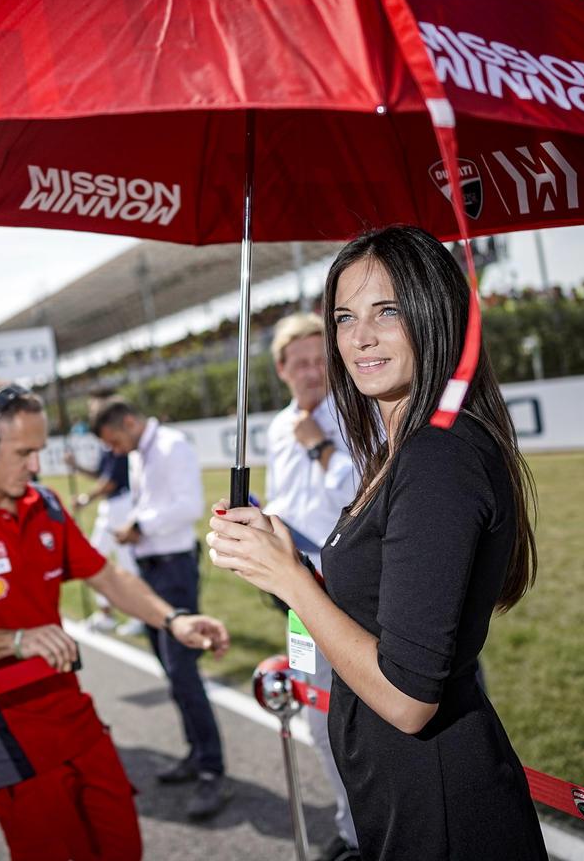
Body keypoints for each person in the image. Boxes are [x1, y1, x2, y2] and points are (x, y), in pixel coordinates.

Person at [207, 226, 547, 860]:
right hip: (399, 795)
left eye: (386, 311)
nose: (359, 336)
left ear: (433, 314)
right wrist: (283, 554)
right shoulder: (401, 448)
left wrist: (292, 581)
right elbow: (378, 601)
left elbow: (407, 698)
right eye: (344, 316)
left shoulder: (437, 456)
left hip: (440, 805)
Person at [0, 381, 230, 859]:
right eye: (24, 452)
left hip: (75, 721)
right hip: (5, 740)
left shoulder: (43, 505)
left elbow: (105, 575)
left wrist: (173, 620)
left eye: (39, 451)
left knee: (124, 848)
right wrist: (14, 641)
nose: (35, 466)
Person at [94, 397, 231, 819]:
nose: (114, 452)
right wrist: (131, 528)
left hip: (174, 570)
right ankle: (195, 753)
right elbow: (149, 502)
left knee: (183, 673)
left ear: (130, 422)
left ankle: (212, 771)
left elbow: (190, 507)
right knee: (171, 672)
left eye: (114, 441)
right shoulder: (138, 451)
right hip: (150, 569)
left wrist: (140, 526)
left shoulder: (171, 445)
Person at [263, 312, 361, 861]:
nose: (310, 371)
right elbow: (288, 501)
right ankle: (352, 833)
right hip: (298, 590)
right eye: (298, 362)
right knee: (318, 714)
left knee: (367, 716)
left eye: (319, 358)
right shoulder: (278, 426)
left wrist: (320, 443)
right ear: (282, 370)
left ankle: (382, 830)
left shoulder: (352, 409)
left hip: (348, 590)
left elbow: (356, 491)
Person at [71, 433, 137, 635]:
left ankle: (139, 616)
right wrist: (76, 465)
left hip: (122, 504)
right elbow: (101, 474)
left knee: (127, 562)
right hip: (110, 506)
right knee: (96, 556)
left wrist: (85, 499)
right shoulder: (106, 446)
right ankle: (106, 613)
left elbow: (110, 482)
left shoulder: (118, 445)